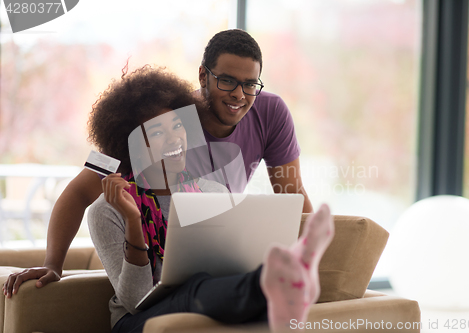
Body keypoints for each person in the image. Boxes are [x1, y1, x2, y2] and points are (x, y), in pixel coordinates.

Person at [2, 29, 313, 298]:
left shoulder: (270, 112)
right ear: (203, 76)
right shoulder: (161, 118)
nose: (239, 94)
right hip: (156, 263)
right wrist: (53, 264)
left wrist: (316, 260)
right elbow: (78, 192)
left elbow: (293, 194)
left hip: (212, 251)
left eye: (250, 84)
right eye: (227, 81)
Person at [85, 66, 333, 332]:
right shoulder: (108, 210)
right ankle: (275, 281)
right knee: (194, 288)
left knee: (212, 287)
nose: (175, 139)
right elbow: (136, 302)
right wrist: (134, 220)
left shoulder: (213, 193)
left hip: (208, 300)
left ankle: (279, 285)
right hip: (134, 323)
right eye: (158, 132)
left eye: (178, 126)